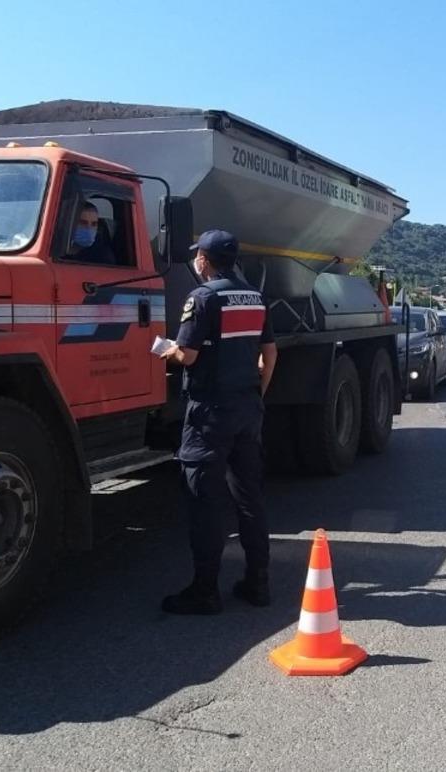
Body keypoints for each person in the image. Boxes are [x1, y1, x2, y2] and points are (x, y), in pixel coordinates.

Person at [161, 230, 278, 614]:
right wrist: (257, 392)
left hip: (210, 412)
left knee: (205, 502)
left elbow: (189, 356)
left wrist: (167, 351)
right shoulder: (253, 297)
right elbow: (269, 353)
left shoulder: (203, 297)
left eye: (198, 255)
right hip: (247, 408)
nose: (196, 260)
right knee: (249, 499)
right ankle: (257, 583)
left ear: (205, 261)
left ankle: (205, 591)